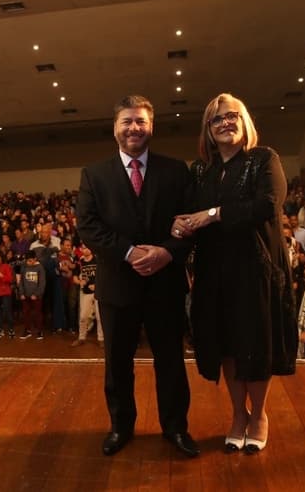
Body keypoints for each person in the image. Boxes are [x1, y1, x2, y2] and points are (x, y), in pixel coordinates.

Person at [171, 93, 297, 455]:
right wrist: (181, 225)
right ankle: (237, 415)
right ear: (208, 131)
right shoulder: (200, 170)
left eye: (232, 116)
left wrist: (212, 214)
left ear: (245, 122)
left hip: (255, 269)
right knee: (226, 345)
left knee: (254, 345)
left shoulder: (263, 159)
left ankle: (258, 415)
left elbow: (268, 205)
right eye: (217, 119)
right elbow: (188, 212)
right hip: (214, 272)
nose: (226, 123)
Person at [77, 95, 197, 458]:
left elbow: (189, 223)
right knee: (117, 363)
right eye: (127, 121)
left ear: (151, 127)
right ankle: (120, 426)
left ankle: (175, 428)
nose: (134, 128)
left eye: (141, 121)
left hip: (166, 283)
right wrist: (130, 252)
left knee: (171, 361)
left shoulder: (176, 171)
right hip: (118, 285)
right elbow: (88, 226)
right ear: (115, 128)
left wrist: (165, 252)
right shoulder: (94, 174)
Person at [71, 242, 103, 348]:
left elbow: (104, 275)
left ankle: (101, 339)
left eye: (87, 247)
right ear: (81, 249)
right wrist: (80, 282)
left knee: (100, 317)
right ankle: (81, 337)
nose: (86, 250)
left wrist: (96, 285)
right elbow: (74, 277)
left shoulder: (98, 260)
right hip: (85, 293)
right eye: (83, 248)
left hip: (98, 292)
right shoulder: (80, 262)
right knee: (83, 316)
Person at [18, 250, 46, 340]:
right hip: (25, 295)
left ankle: (39, 330)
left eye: (30, 260)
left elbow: (42, 283)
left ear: (35, 259)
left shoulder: (40, 268)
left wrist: (36, 294)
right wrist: (21, 293)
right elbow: (21, 281)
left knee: (38, 313)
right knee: (26, 313)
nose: (29, 262)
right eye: (27, 261)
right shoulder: (24, 267)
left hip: (36, 296)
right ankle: (27, 330)